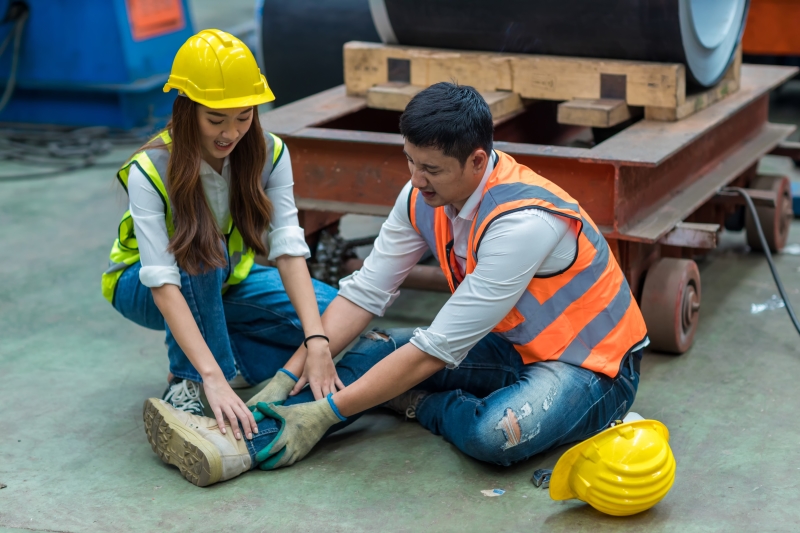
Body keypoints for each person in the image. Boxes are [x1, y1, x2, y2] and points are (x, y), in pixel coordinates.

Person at [141, 82, 649, 486]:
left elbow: (435, 348)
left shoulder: (523, 222)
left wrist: (328, 413)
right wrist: (293, 370)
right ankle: (243, 437)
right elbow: (365, 293)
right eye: (410, 160)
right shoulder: (420, 196)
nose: (417, 179)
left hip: (591, 366)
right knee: (346, 360)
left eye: (432, 169)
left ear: (477, 160)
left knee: (493, 436)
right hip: (510, 348)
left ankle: (417, 404)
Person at [104, 29, 340, 443]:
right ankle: (187, 383)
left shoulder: (271, 153)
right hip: (142, 286)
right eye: (216, 119)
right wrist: (212, 377)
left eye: (243, 117)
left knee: (334, 315)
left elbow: (287, 249)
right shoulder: (150, 168)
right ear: (186, 110)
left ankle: (238, 357)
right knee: (202, 249)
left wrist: (317, 340)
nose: (230, 133)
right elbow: (161, 280)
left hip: (227, 280)